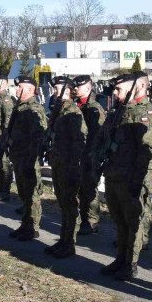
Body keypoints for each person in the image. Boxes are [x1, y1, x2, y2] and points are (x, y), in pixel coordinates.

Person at [99, 71, 152, 280]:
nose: (115, 93)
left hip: (132, 177)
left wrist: (138, 181)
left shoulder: (144, 112)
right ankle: (120, 258)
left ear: (138, 88)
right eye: (115, 89)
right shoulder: (119, 111)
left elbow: (146, 151)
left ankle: (130, 264)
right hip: (115, 174)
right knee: (120, 220)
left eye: (118, 89)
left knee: (133, 221)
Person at [45, 76, 86, 258]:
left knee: (69, 205)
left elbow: (79, 141)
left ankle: (69, 243)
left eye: (58, 89)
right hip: (58, 162)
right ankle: (63, 240)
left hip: (69, 165)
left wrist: (73, 165)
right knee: (62, 203)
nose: (55, 91)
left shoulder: (73, 112)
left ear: (68, 91)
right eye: (54, 89)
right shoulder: (59, 110)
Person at [7, 76, 48, 241]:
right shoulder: (20, 107)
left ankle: (33, 227)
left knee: (32, 194)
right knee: (23, 193)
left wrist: (34, 157)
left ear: (30, 89)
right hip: (19, 157)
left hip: (29, 158)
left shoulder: (34, 108)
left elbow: (40, 135)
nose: (16, 90)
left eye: (20, 87)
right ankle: (25, 225)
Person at [73, 75, 105, 234]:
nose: (75, 89)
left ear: (88, 87)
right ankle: (84, 219)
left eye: (79, 86)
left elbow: (98, 135)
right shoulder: (76, 106)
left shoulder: (94, 108)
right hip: (78, 154)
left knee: (90, 189)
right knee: (81, 189)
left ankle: (92, 222)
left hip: (89, 155)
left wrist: (93, 156)